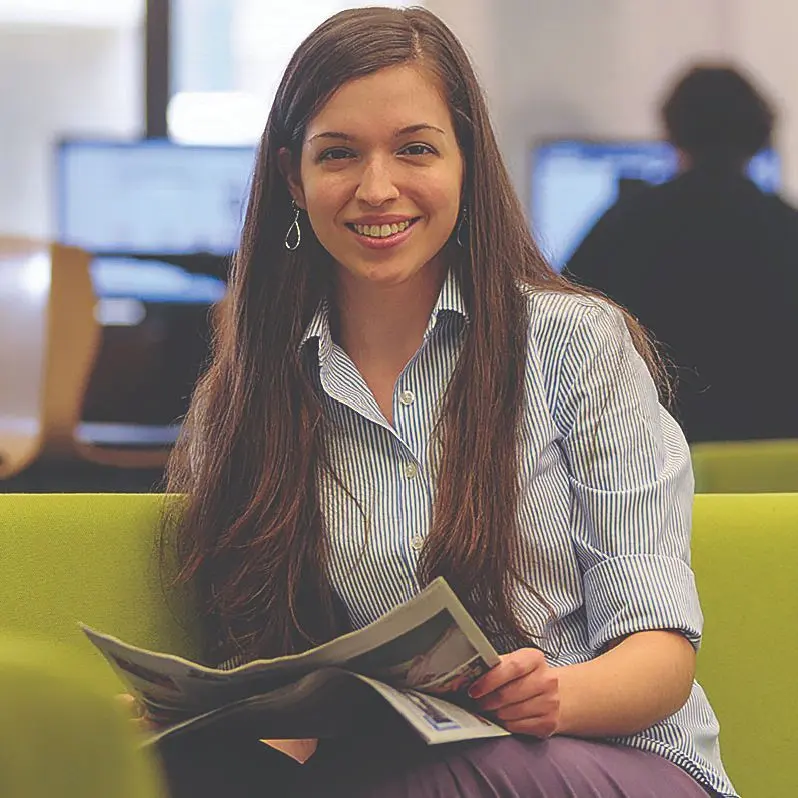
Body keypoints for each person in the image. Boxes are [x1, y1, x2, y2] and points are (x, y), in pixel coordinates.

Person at [149, 8, 736, 797]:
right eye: (339, 155)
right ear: (294, 178)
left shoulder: (575, 345)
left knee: (455, 770)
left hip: (614, 757)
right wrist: (195, 730)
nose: (377, 188)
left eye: (416, 149)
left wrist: (550, 697)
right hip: (396, 765)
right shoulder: (247, 395)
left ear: (465, 160)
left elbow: (661, 661)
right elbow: (280, 687)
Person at [566, 64, 798, 443]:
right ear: (760, 133)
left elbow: (561, 326)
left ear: (672, 130)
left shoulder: (625, 225)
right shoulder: (789, 229)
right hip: (777, 475)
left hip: (651, 460)